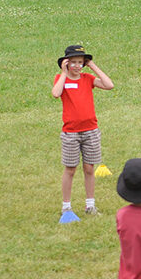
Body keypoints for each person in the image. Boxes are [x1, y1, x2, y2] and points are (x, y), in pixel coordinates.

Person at [52, 44, 114, 218]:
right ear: (66, 63)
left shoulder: (87, 78)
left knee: (89, 168)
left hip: (91, 130)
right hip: (71, 132)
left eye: (80, 62)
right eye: (73, 62)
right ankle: (66, 206)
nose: (77, 66)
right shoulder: (61, 78)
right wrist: (64, 73)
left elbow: (109, 85)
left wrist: (92, 66)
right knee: (70, 169)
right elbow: (56, 93)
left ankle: (90, 205)